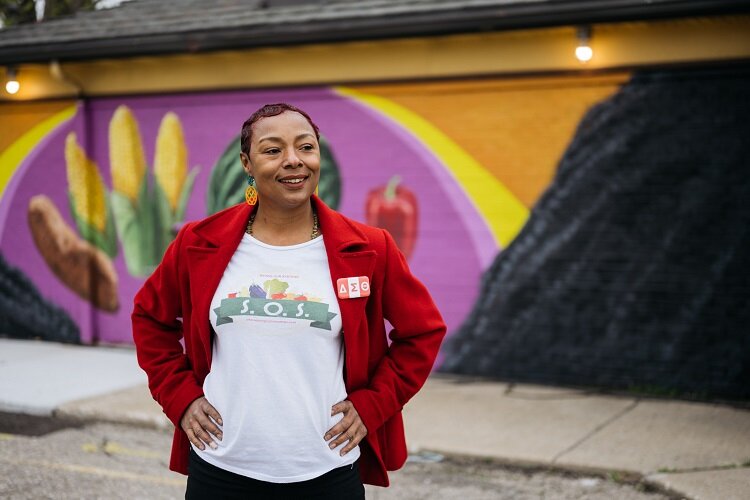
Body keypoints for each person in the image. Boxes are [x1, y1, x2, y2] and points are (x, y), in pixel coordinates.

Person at [132, 103, 446, 498]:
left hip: (326, 468)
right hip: (220, 466)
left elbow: (423, 332)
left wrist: (373, 406)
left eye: (305, 147)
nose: (294, 161)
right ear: (247, 162)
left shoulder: (369, 248)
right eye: (273, 150)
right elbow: (149, 319)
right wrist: (181, 397)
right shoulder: (199, 243)